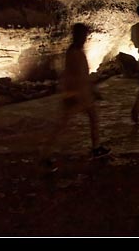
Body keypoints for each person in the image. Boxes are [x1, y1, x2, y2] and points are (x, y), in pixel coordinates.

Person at [42, 23, 110, 170]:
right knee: (63, 124)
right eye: (84, 35)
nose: (85, 38)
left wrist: (92, 89)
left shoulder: (77, 50)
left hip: (83, 94)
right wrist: (70, 94)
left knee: (93, 118)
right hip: (77, 95)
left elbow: (82, 74)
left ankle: (96, 147)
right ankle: (46, 153)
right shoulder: (73, 52)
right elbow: (71, 75)